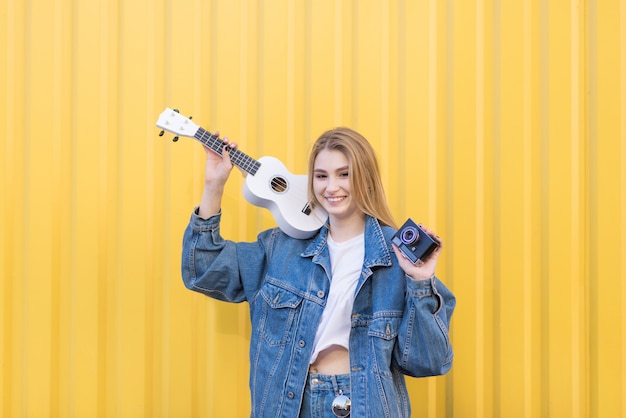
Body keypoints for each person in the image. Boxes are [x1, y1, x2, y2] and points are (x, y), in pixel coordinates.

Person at [181, 127, 455, 418]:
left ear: (366, 177)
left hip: (363, 406)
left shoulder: (397, 255)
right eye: (321, 176)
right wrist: (214, 184)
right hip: (288, 406)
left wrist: (421, 281)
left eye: (344, 174)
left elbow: (429, 362)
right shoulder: (279, 248)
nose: (331, 187)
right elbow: (203, 270)